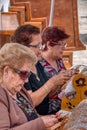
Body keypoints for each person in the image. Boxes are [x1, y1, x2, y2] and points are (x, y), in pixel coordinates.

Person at [10, 24, 75, 115]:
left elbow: (47, 95)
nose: (41, 49)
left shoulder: (36, 64)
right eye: (37, 46)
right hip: (37, 118)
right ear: (23, 48)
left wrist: (59, 82)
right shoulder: (18, 70)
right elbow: (29, 102)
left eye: (41, 45)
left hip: (49, 114)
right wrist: (52, 82)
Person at [0, 42, 59, 130]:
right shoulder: (2, 95)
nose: (27, 80)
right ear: (7, 71)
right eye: (23, 73)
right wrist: (40, 123)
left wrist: (50, 119)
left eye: (29, 74)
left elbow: (31, 118)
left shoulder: (19, 91)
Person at [40, 26, 70, 113]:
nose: (64, 47)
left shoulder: (59, 60)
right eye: (61, 44)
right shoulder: (38, 64)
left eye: (65, 44)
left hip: (65, 105)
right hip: (49, 111)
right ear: (49, 44)